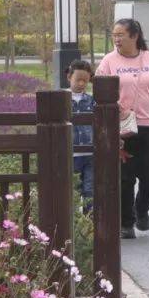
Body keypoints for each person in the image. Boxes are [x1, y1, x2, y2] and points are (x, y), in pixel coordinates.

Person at [96, 18, 149, 240]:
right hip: (122, 128)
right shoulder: (108, 62)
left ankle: (141, 210)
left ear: (134, 36)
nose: (116, 39)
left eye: (121, 34)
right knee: (125, 177)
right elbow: (99, 94)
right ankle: (126, 223)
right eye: (114, 35)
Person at [66, 60, 96, 212]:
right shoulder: (62, 100)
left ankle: (90, 224)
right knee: (73, 191)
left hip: (90, 153)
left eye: (86, 80)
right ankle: (73, 224)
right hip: (70, 154)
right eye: (78, 79)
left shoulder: (92, 101)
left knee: (90, 190)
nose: (82, 84)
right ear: (69, 77)